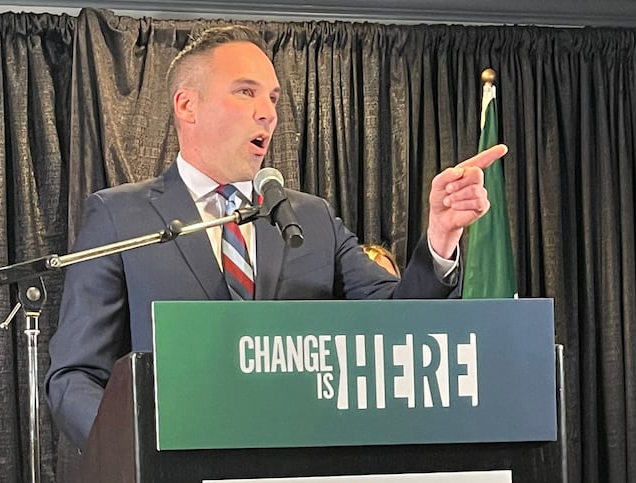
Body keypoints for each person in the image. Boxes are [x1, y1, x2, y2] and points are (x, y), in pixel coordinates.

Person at [45, 25, 506, 448]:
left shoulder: (311, 218)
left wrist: (441, 239)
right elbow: (75, 377)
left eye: (272, 98)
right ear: (187, 105)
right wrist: (133, 456)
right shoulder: (120, 217)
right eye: (245, 93)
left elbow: (395, 330)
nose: (266, 113)